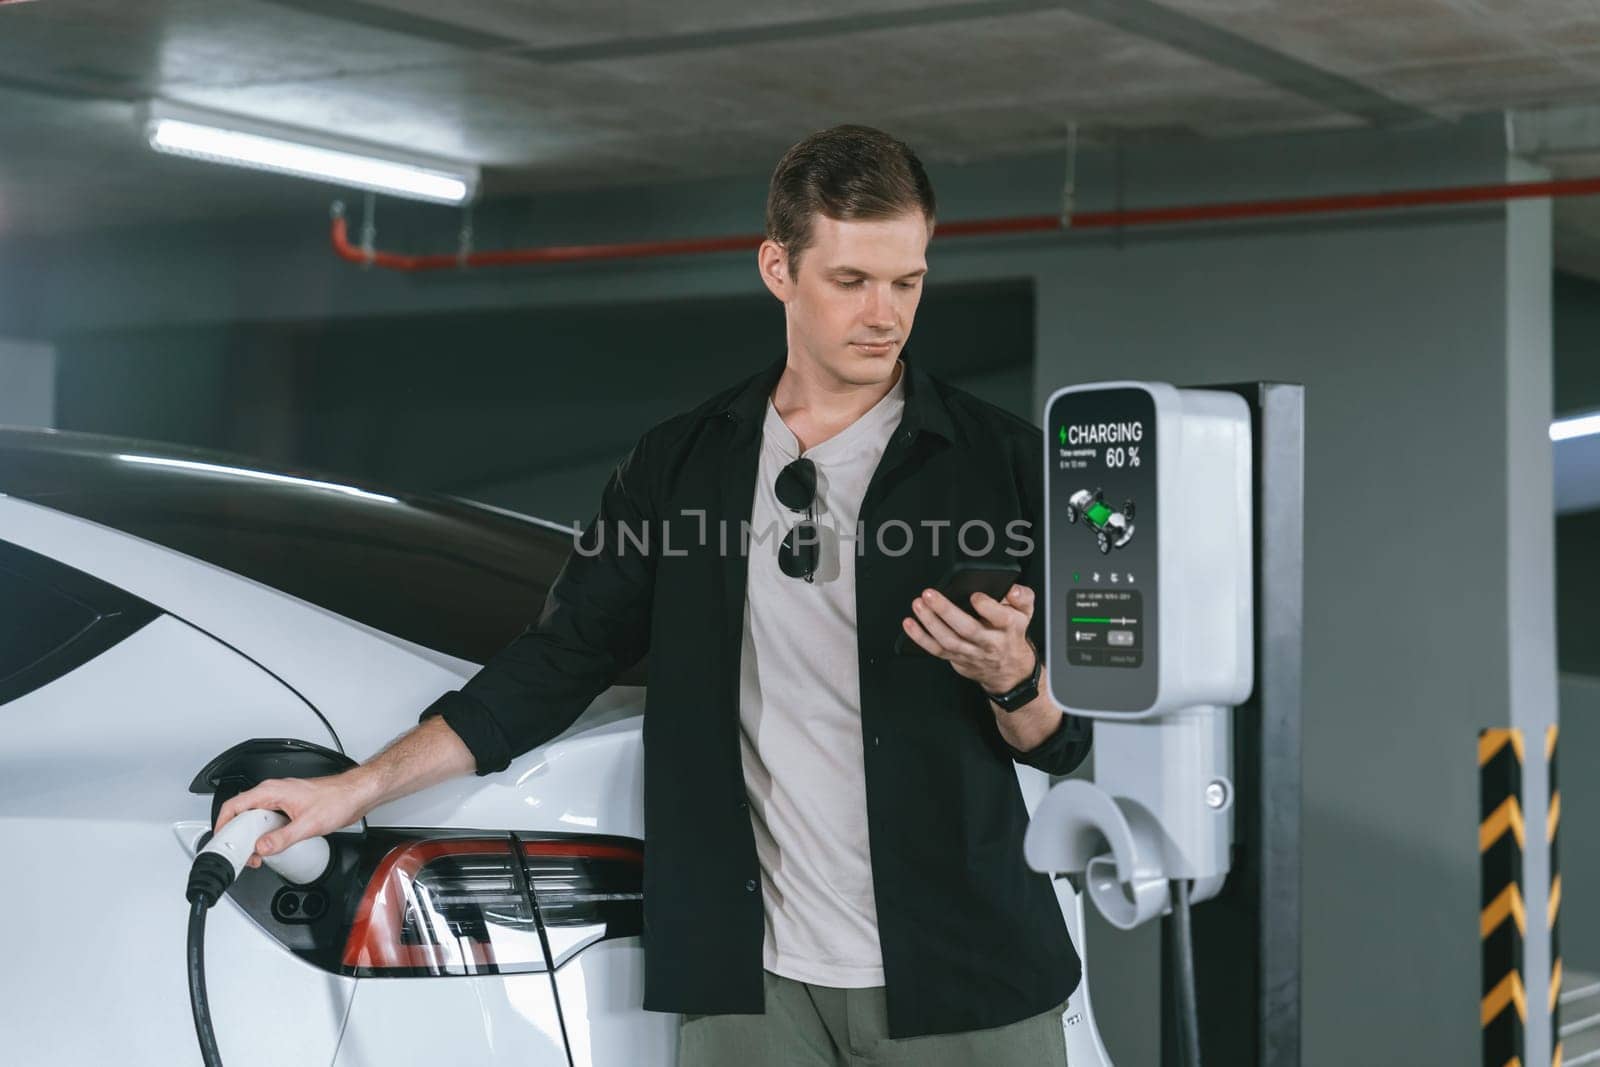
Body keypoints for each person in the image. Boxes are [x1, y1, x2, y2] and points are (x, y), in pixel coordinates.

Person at [214, 124, 1092, 1066]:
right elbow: (559, 659)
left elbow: (1075, 738)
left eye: (907, 281)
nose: (885, 314)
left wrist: (1015, 678)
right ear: (777, 268)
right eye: (851, 281)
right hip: (748, 986)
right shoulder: (681, 468)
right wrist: (355, 789)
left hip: (965, 976)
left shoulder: (1007, 466)